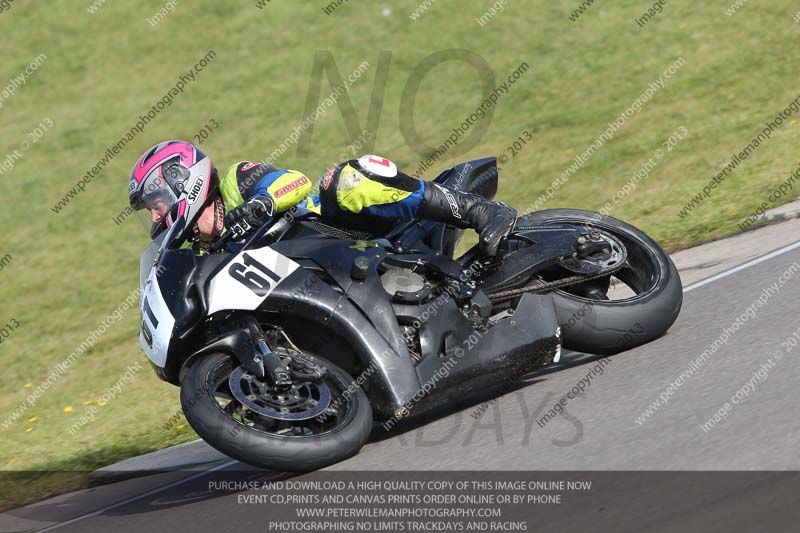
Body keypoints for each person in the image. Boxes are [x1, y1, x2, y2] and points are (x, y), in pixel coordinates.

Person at [128, 140, 517, 255]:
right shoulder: (202, 253)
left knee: (340, 181)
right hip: (336, 281)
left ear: (181, 180)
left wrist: (259, 204)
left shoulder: (236, 181)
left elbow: (295, 182)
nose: (156, 218)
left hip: (352, 231)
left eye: (155, 203)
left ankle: (479, 210)